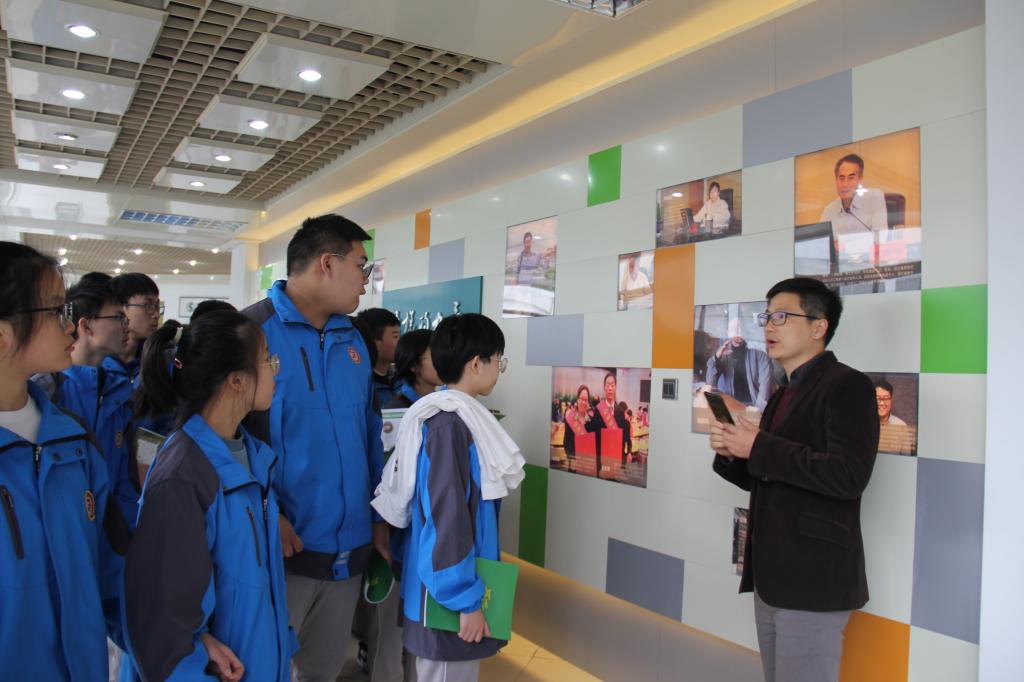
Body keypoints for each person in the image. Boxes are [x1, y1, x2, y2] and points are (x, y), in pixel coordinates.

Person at [709, 277, 879, 682]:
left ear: (819, 326)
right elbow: (770, 476)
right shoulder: (783, 392)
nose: (769, 326)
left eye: (782, 317)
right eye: (766, 317)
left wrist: (759, 446)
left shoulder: (848, 386)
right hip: (772, 577)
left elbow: (848, 475)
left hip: (812, 580)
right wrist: (733, 451)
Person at [242, 213, 388, 682]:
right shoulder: (250, 333)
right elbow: (222, 439)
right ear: (327, 263)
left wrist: (378, 518)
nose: (365, 281)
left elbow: (369, 434)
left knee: (321, 672)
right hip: (279, 552)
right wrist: (266, 510)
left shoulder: (354, 339)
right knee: (263, 670)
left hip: (350, 553)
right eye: (362, 266)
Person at [124, 310, 294, 681]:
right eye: (268, 359)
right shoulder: (184, 474)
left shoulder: (251, 456)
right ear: (237, 380)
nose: (276, 370)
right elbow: (164, 627)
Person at [371, 313, 525, 682]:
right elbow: (447, 517)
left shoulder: (456, 419)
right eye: (498, 360)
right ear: (476, 363)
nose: (500, 370)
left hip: (450, 588)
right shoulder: (448, 426)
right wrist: (464, 599)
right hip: (447, 597)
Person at [0, 242, 129, 679]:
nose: (71, 326)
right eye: (56, 311)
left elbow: (113, 574)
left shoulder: (72, 440)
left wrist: (182, 643)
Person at [33, 275, 140, 528]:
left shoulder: (120, 394)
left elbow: (125, 478)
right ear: (86, 325)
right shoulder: (47, 390)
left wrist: (123, 534)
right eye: (118, 317)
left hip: (110, 537)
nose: (126, 326)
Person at [704, 317, 774, 412]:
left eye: (741, 328)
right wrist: (717, 357)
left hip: (753, 407)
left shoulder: (760, 355)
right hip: (729, 407)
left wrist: (757, 411)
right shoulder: (723, 355)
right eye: (734, 329)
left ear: (745, 332)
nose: (738, 332)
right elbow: (710, 383)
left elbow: (765, 388)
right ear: (728, 332)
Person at [109, 273, 162, 385]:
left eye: (157, 306)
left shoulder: (157, 361)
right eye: (148, 306)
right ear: (121, 308)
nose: (156, 315)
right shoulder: (96, 364)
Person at [819, 154, 888, 240]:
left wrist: (844, 244)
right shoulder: (829, 211)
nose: (845, 184)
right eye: (841, 178)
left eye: (851, 178)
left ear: (860, 179)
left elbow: (880, 239)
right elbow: (821, 243)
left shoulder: (875, 198)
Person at [384, 328, 443, 409]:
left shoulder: (442, 402)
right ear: (414, 365)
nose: (443, 362)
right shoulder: (396, 410)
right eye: (435, 356)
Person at [356, 308, 402, 408]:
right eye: (395, 336)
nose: (401, 342)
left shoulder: (402, 380)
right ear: (375, 343)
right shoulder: (361, 386)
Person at [594, 372, 631, 475]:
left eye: (612, 385)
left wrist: (624, 460)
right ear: (604, 387)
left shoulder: (621, 412)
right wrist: (598, 465)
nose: (610, 388)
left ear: (615, 387)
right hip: (602, 464)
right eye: (607, 385)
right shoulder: (598, 411)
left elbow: (623, 439)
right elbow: (596, 440)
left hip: (616, 463)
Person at [562, 384, 599, 474]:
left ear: (588, 402)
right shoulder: (571, 419)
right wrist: (571, 459)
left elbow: (595, 444)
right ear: (577, 399)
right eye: (582, 399)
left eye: (586, 400)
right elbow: (566, 443)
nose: (583, 402)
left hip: (588, 467)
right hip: (574, 468)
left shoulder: (592, 421)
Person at [875, 378, 915, 456]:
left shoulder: (901, 426)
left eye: (886, 398)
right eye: (878, 398)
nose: (882, 403)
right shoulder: (864, 424)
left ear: (891, 400)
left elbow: (906, 458)